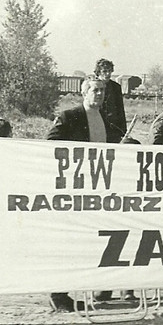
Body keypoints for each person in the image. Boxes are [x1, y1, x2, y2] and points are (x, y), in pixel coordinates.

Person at [47, 76, 125, 311]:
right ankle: (58, 295)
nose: (99, 94)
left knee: (96, 239)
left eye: (102, 90)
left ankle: (100, 286)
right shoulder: (69, 116)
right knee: (69, 243)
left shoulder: (105, 120)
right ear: (84, 93)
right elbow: (51, 143)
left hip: (99, 189)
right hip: (73, 190)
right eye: (94, 90)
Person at [94, 58, 128, 139]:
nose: (108, 74)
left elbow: (120, 109)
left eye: (110, 71)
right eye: (104, 71)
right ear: (98, 72)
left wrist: (123, 130)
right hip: (96, 126)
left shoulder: (116, 87)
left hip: (113, 129)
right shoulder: (92, 86)